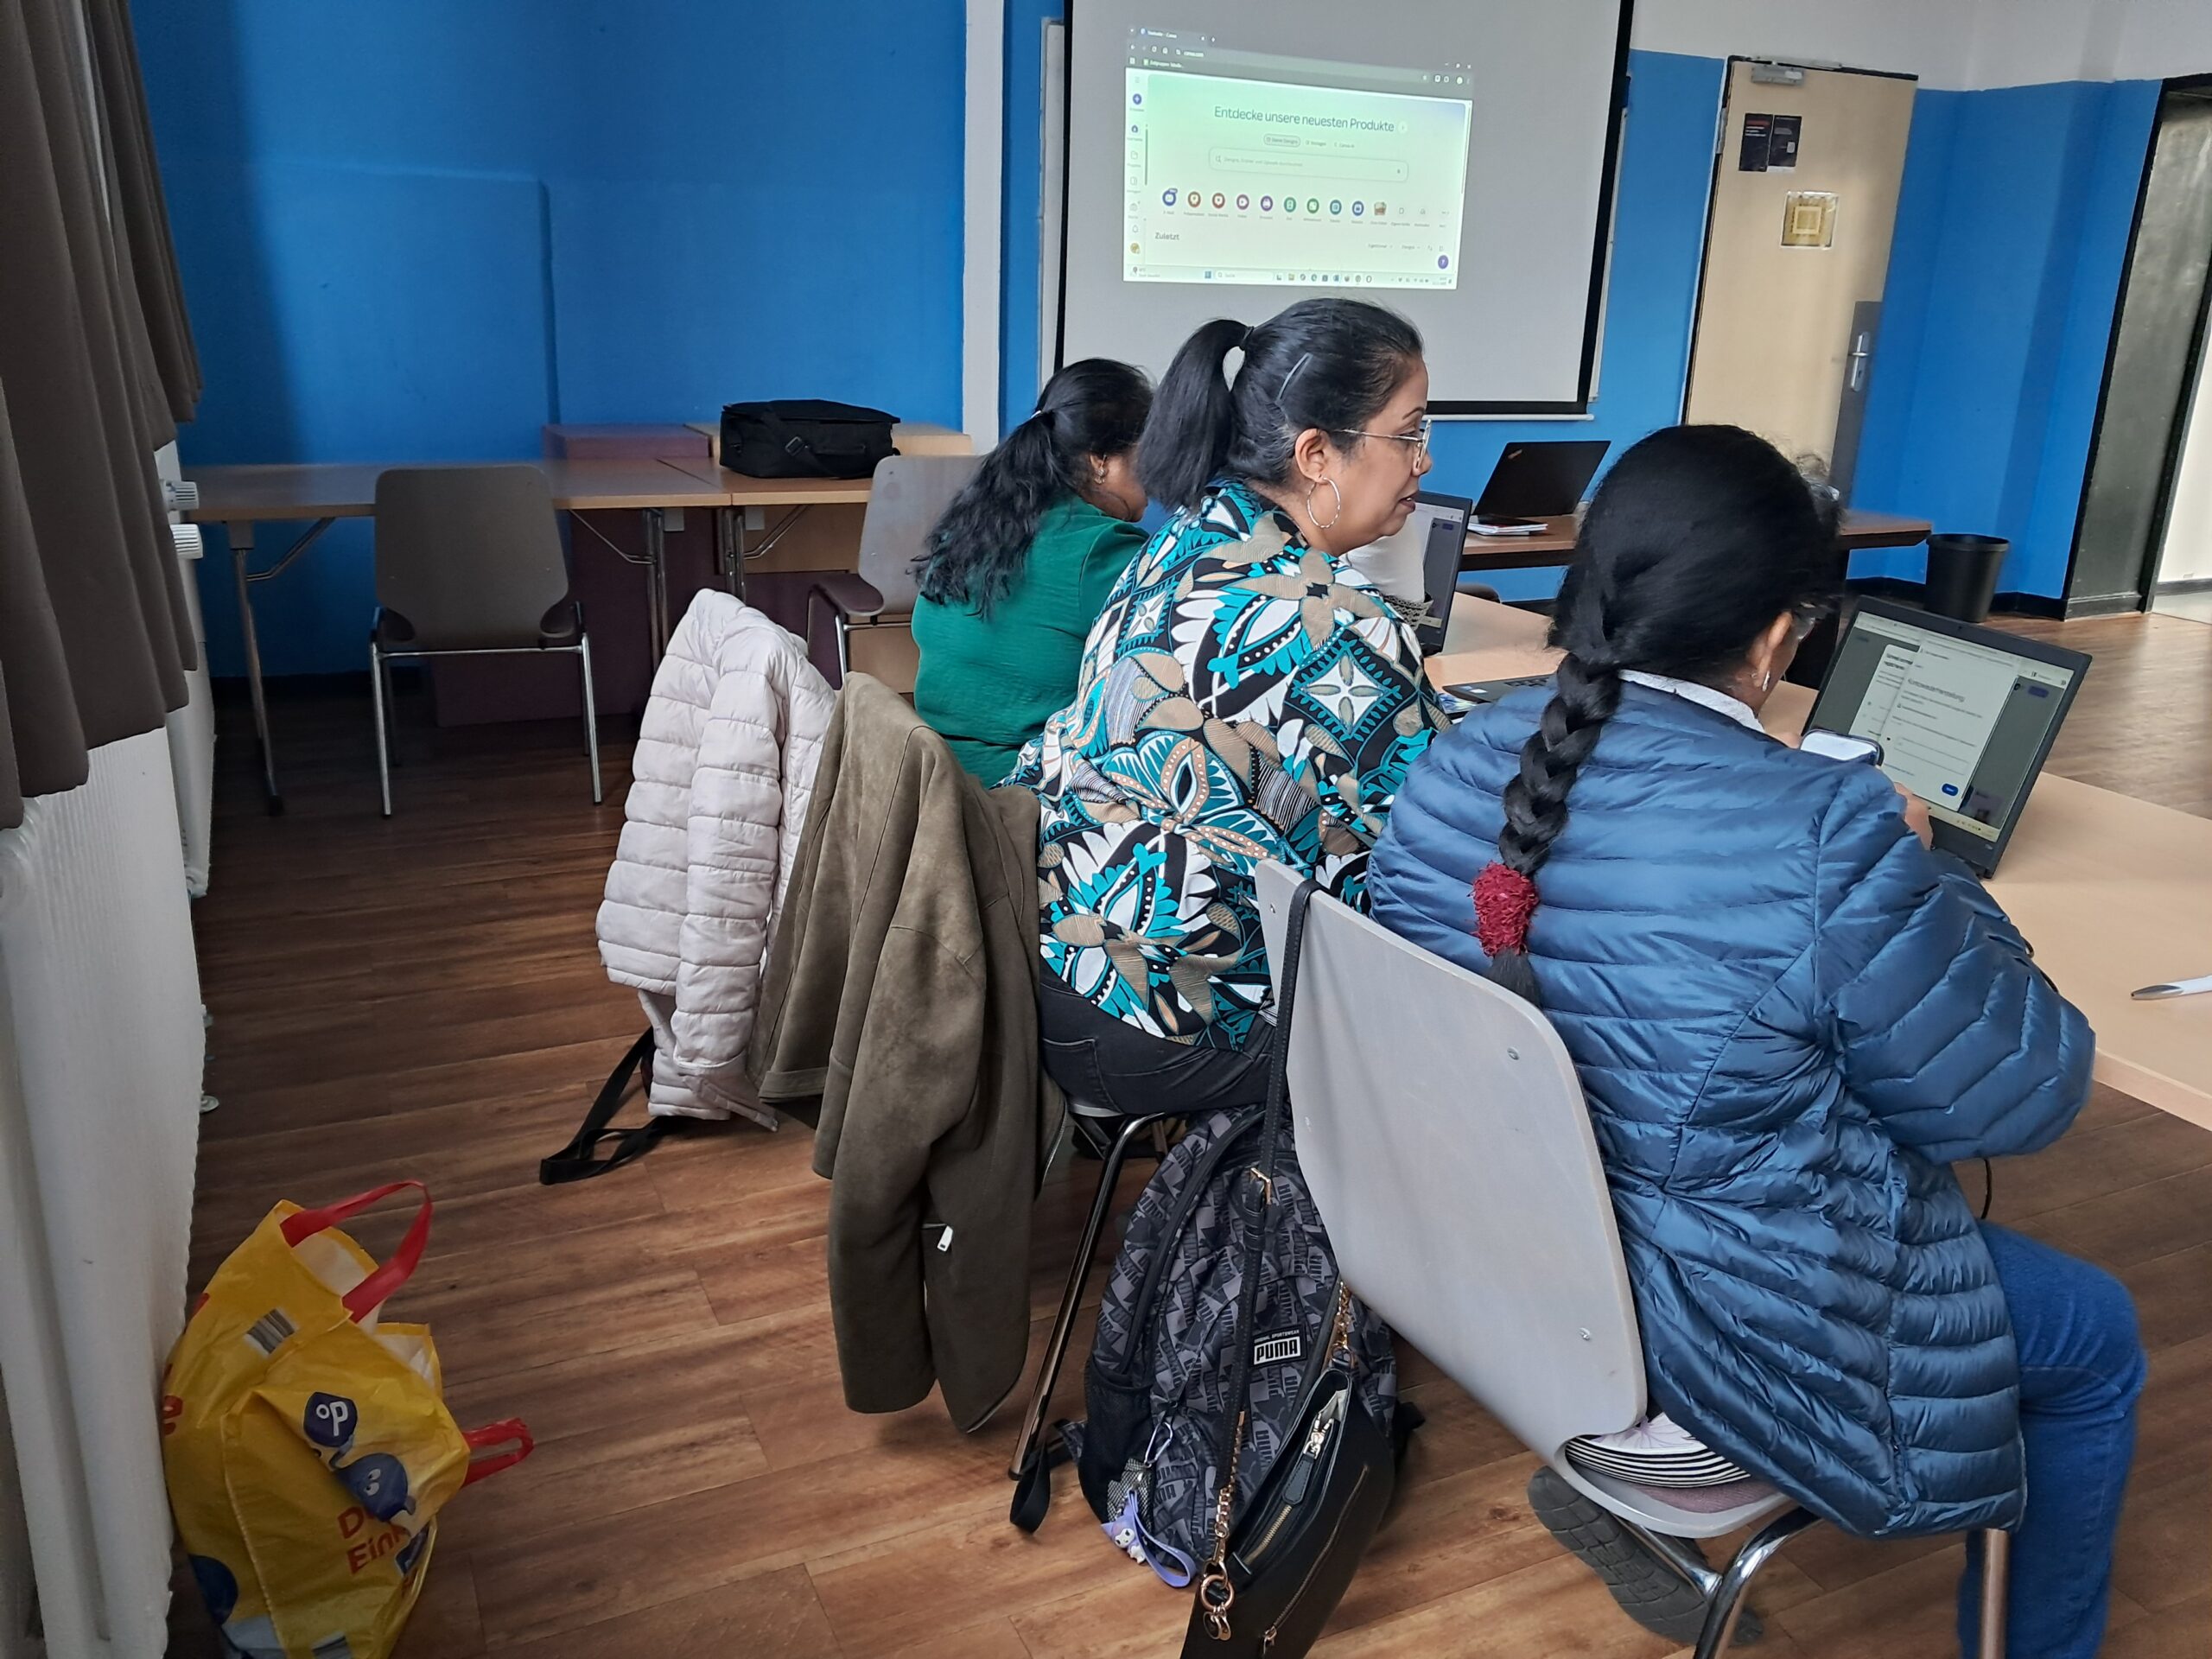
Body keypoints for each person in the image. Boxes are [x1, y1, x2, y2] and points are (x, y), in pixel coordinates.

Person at [1367, 424, 2142, 1659]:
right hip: (1715, 1334)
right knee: (2095, 1335)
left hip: (1512, 1285)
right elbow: (2021, 1095)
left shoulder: (1458, 758)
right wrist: (1929, 876)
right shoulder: (1821, 827)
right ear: (1780, 635)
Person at [1010, 298, 1450, 1115]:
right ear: (1316, 453)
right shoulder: (1338, 620)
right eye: (1410, 433)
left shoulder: (1184, 538)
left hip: (1057, 973)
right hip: (1173, 1026)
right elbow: (1423, 863)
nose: (1424, 461)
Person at [912, 359, 1152, 785]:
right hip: (1024, 790)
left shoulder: (973, 521)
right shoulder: (1104, 549)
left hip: (933, 774)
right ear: (1100, 460)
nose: (1156, 475)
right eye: (1146, 456)